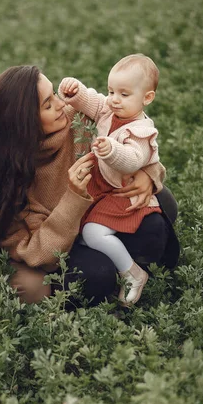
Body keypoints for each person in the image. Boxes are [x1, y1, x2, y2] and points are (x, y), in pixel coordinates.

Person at [0, 65, 179, 307]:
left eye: (55, 94)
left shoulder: (78, 118)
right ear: (24, 122)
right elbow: (39, 253)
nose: (61, 105)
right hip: (66, 243)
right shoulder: (9, 177)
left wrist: (148, 173)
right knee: (97, 274)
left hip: (103, 217)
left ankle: (133, 271)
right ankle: (117, 279)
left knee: (160, 209)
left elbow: (136, 137)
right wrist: (73, 197)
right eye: (48, 104)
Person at [58, 54, 162, 305]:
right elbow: (92, 101)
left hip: (121, 192)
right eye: (112, 91)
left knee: (94, 232)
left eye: (124, 94)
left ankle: (132, 272)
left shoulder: (141, 131)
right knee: (85, 230)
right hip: (104, 187)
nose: (114, 99)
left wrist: (112, 152)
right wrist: (75, 91)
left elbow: (134, 159)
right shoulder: (109, 109)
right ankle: (114, 263)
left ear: (147, 98)